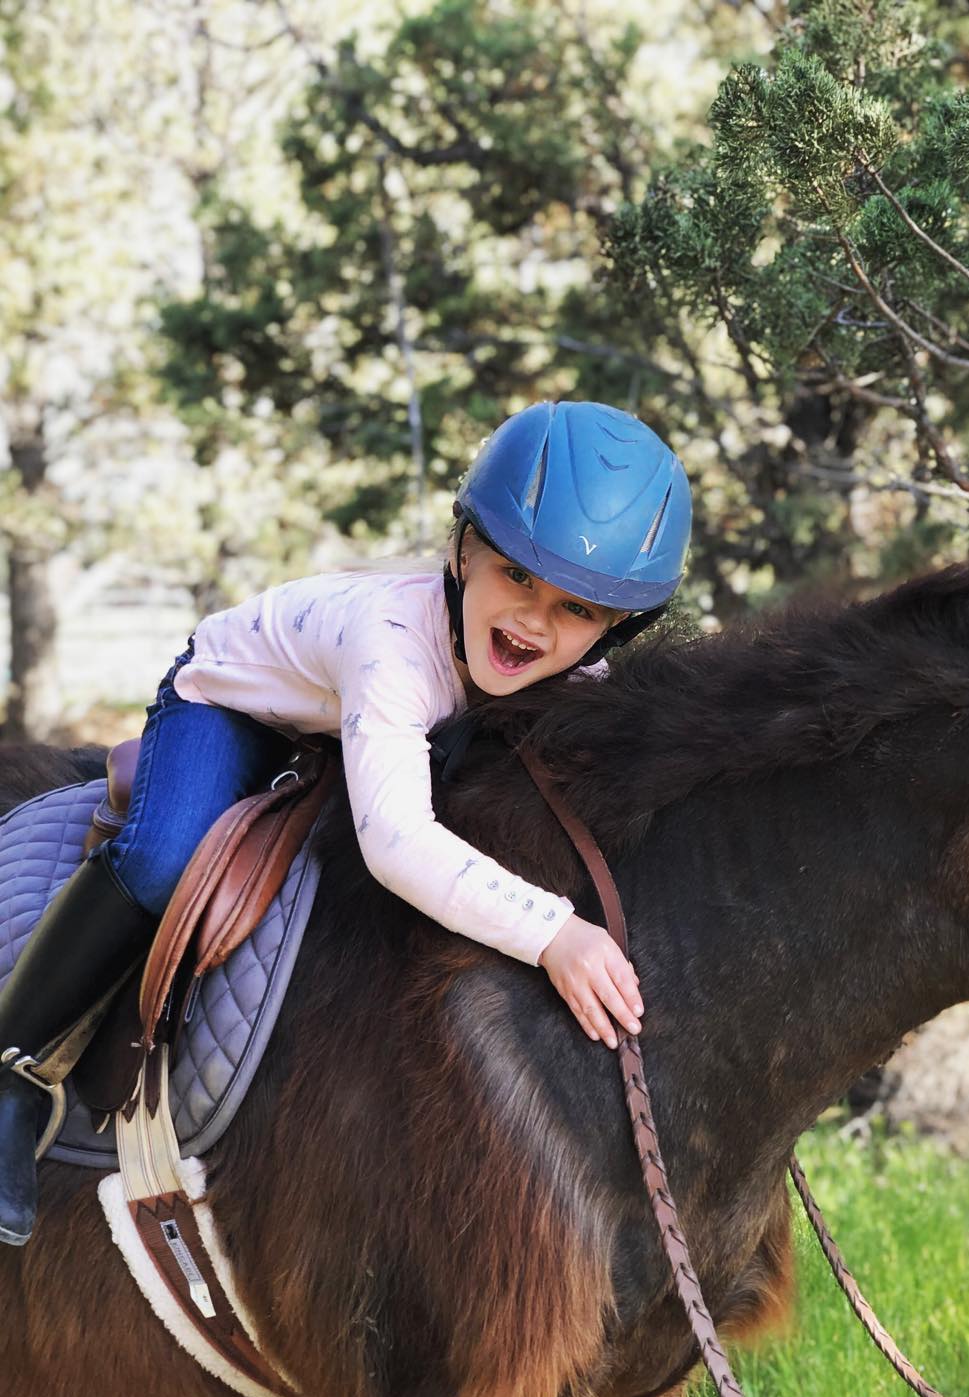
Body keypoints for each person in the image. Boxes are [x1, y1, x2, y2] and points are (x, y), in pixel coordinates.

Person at [0, 399, 692, 1246]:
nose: (532, 623)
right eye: (516, 577)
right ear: (465, 550)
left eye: (575, 609)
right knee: (161, 859)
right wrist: (553, 934)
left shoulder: (569, 675)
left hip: (352, 719)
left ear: (616, 625)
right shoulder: (394, 640)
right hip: (238, 708)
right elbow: (396, 844)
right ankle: (15, 1068)